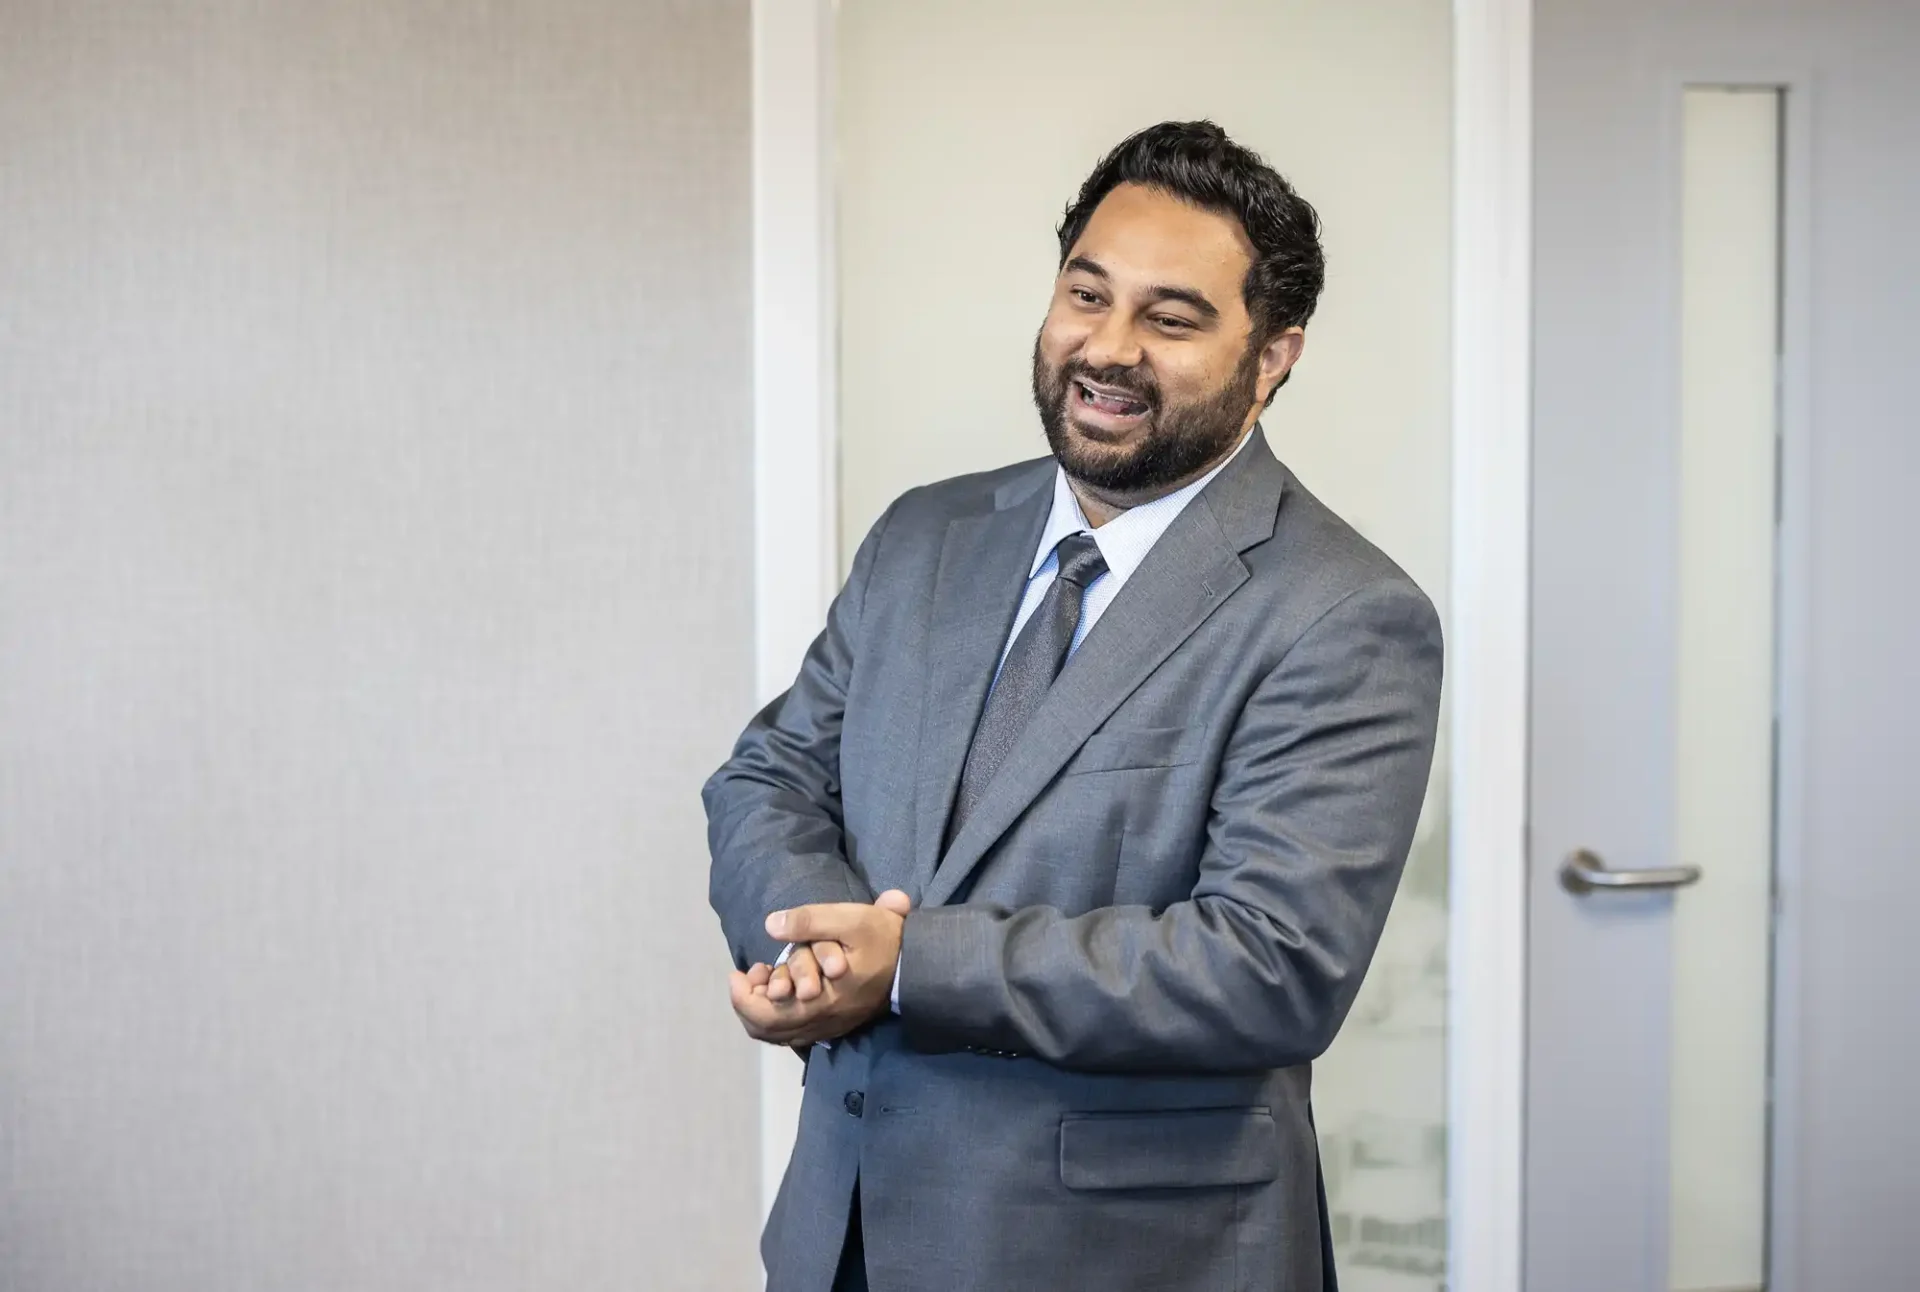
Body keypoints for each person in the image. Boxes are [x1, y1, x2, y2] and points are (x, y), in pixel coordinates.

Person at [704, 119, 1443, 1292]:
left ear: (1275, 356)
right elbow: (771, 775)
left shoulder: (1345, 613)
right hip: (847, 1231)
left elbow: (1268, 963)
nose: (1108, 346)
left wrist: (904, 964)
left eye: (1173, 316)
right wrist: (804, 941)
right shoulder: (926, 535)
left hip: (1128, 1256)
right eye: (1085, 292)